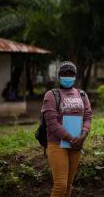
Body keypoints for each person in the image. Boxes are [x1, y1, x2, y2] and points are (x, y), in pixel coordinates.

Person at [41, 61, 92, 197]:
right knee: (60, 185)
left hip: (77, 144)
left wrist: (83, 135)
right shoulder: (51, 95)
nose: (67, 76)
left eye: (71, 74)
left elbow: (87, 116)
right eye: (64, 74)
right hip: (58, 144)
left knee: (68, 185)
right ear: (59, 76)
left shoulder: (82, 94)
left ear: (75, 76)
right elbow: (51, 122)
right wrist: (70, 138)